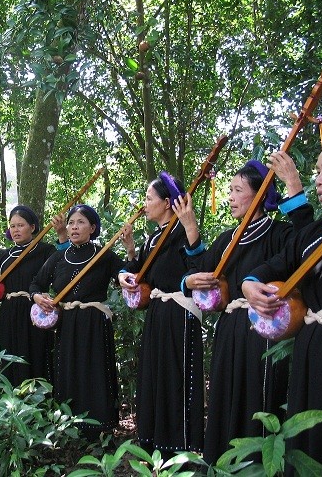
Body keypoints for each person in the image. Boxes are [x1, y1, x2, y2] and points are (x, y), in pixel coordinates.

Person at [183, 155, 313, 465]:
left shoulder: (279, 234)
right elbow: (201, 272)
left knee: (259, 398)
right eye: (229, 190)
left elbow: (304, 248)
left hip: (265, 331)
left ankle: (259, 466)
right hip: (229, 330)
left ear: (260, 194)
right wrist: (190, 277)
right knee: (226, 396)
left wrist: (292, 185)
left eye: (237, 189)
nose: (229, 197)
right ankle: (222, 464)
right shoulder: (227, 239)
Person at [242, 146, 322, 471]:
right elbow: (272, 266)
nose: (318, 180)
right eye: (317, 172)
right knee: (310, 442)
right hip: (312, 351)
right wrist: (250, 285)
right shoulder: (314, 233)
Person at [118, 172, 205, 457]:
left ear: (167, 203)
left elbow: (201, 266)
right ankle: (155, 443)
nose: (144, 204)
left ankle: (181, 445)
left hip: (180, 313)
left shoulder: (182, 230)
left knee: (175, 376)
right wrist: (130, 253)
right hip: (157, 312)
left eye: (148, 198)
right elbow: (139, 273)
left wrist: (192, 228)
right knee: (155, 375)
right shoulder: (152, 238)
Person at [29, 204, 128, 440]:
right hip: (67, 323)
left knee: (95, 370)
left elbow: (125, 273)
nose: (74, 227)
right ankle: (69, 426)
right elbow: (36, 284)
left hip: (94, 322)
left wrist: (130, 250)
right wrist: (37, 297)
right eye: (71, 223)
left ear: (92, 228)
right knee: (69, 369)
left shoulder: (104, 255)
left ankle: (100, 428)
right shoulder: (57, 257)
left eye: (81, 222)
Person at [0, 206, 68, 386]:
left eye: (20, 225)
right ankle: (13, 400)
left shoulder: (45, 250)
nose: (15, 230)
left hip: (36, 310)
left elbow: (64, 263)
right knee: (11, 355)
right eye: (12, 226)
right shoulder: (4, 255)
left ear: (32, 227)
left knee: (37, 353)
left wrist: (62, 235)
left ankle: (40, 400)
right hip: (9, 312)